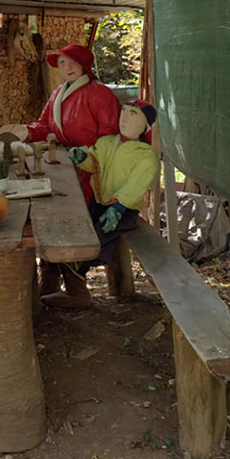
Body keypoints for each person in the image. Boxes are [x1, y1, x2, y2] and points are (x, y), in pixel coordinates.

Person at [10, 43, 121, 298]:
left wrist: (88, 158)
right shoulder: (58, 93)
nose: (67, 67)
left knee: (74, 223)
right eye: (62, 63)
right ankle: (49, 277)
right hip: (63, 167)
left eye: (72, 62)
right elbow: (45, 124)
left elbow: (110, 136)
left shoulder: (99, 93)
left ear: (84, 65)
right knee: (52, 217)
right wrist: (27, 130)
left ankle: (76, 289)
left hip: (91, 172)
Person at [43, 99, 160, 309]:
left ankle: (77, 293)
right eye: (124, 111)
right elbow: (93, 161)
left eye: (133, 114)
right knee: (74, 235)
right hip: (99, 202)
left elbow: (137, 184)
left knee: (94, 243)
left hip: (123, 211)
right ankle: (58, 284)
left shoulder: (146, 155)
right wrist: (82, 158)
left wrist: (119, 207)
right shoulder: (107, 143)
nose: (124, 117)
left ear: (145, 125)